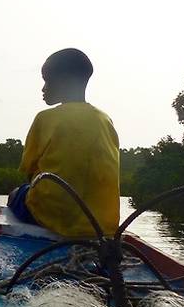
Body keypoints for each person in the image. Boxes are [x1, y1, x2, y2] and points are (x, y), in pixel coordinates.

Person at [7, 48, 120, 237]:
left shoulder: (44, 119)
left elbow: (31, 175)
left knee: (16, 194)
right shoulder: (105, 120)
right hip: (102, 225)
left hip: (54, 217)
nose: (43, 88)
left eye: (47, 80)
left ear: (65, 81)